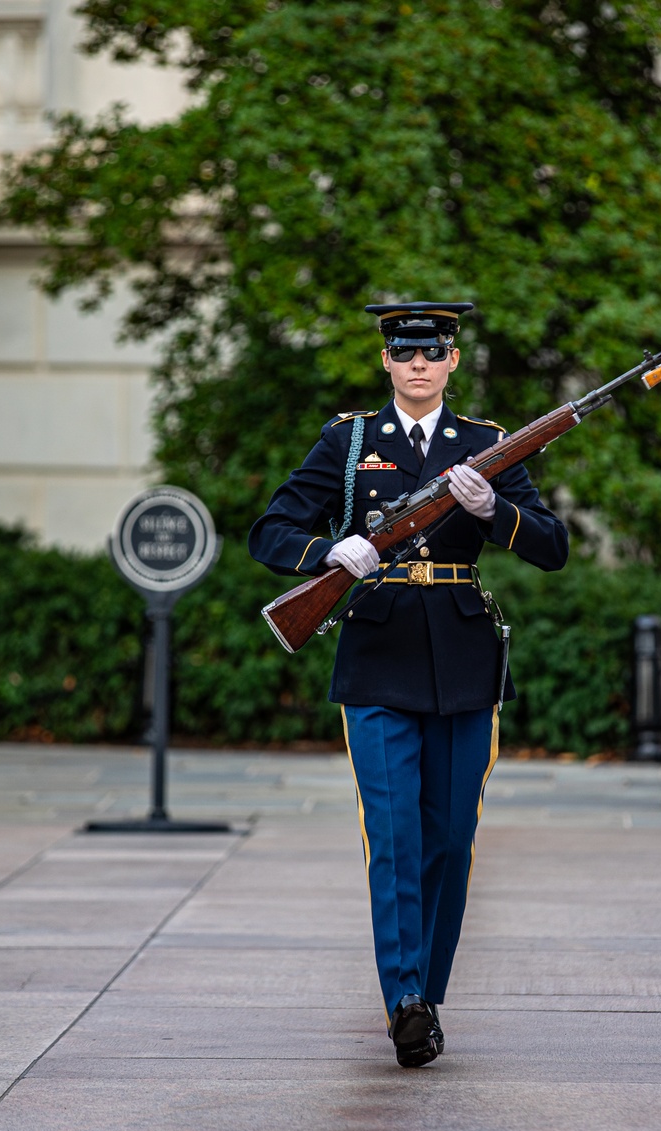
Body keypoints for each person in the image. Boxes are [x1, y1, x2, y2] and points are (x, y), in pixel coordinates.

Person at [249, 302, 568, 1066]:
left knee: (450, 840)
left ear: (453, 361)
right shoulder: (350, 440)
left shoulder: (487, 445)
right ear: (387, 362)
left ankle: (429, 986)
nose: (419, 364)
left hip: (462, 653)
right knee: (392, 836)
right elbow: (271, 530)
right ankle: (406, 1003)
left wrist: (495, 512)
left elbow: (552, 545)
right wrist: (333, 553)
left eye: (433, 352)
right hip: (378, 649)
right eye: (405, 352)